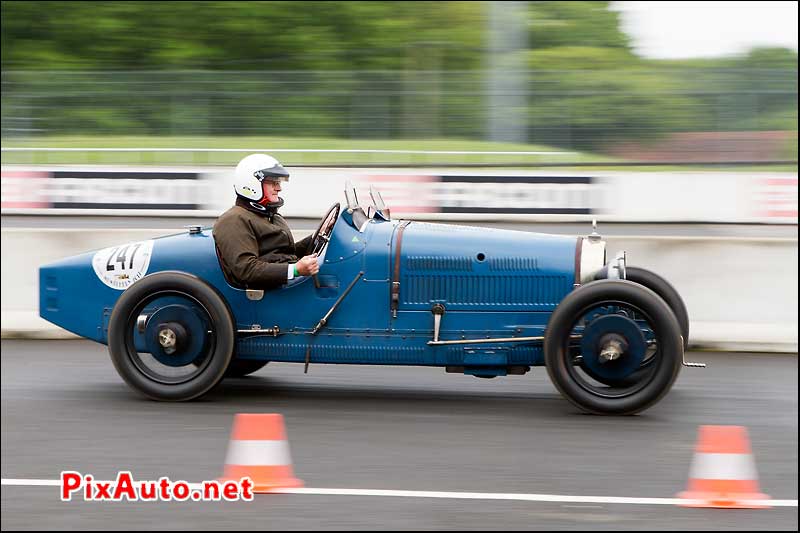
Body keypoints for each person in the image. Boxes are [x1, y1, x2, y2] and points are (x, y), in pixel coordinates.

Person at [213, 153, 320, 290]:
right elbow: (246, 269)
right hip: (270, 293)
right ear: (252, 185)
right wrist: (295, 270)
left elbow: (285, 253)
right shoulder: (233, 220)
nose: (279, 188)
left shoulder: (269, 216)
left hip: (284, 286)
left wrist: (317, 237)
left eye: (279, 182)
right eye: (273, 182)